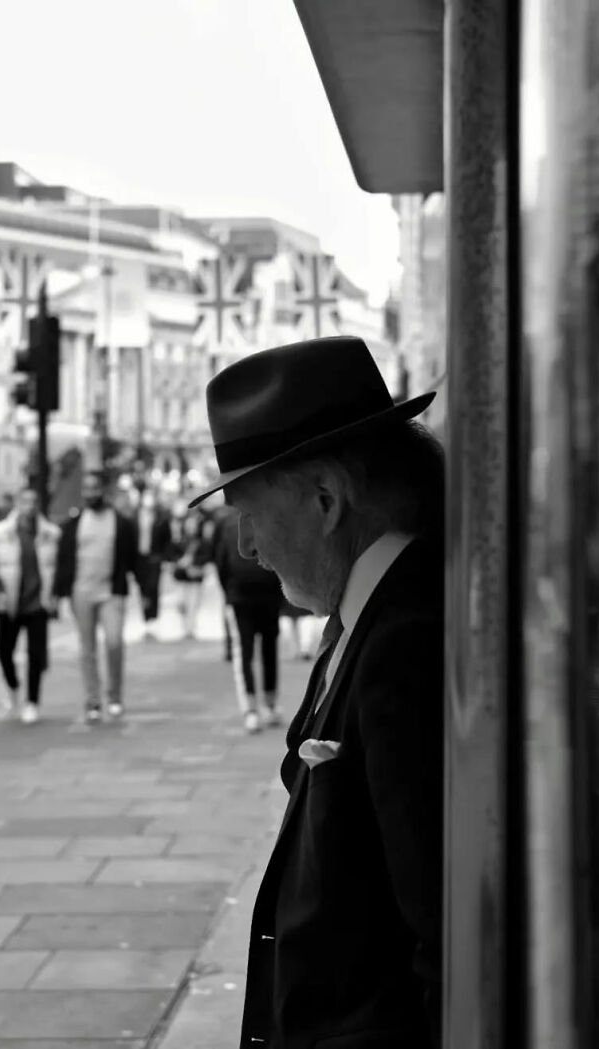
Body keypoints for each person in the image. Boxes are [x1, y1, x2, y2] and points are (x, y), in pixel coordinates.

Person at [188, 335, 444, 1047]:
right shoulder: (366, 613)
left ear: (326, 499)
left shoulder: (405, 639)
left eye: (248, 512)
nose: (244, 546)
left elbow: (439, 934)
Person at [53, 470, 137, 723]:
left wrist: (146, 590)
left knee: (114, 643)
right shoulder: (74, 525)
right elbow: (64, 560)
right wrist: (59, 594)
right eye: (86, 489)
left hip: (111, 592)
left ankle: (114, 697)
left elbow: (133, 559)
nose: (91, 493)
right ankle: (93, 699)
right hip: (82, 592)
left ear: (104, 491)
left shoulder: (120, 522)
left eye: (95, 488)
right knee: (87, 648)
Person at [0, 488, 60, 723]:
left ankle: (32, 701)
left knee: (35, 655)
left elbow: (56, 567)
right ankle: (14, 687)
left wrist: (55, 596)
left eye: (34, 501)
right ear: (17, 503)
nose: (30, 505)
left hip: (38, 602)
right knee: (4, 652)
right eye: (25, 501)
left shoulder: (51, 534)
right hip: (9, 601)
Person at [212, 503, 283, 733]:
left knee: (245, 652)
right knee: (268, 649)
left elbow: (219, 561)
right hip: (266, 593)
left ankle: (252, 709)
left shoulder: (224, 521)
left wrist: (228, 591)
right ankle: (268, 705)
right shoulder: (268, 511)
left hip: (241, 595)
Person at [133, 488, 171, 640]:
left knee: (153, 587)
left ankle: (153, 618)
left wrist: (165, 557)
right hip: (140, 558)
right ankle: (146, 618)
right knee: (143, 589)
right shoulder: (135, 516)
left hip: (155, 558)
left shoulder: (161, 517)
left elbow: (166, 539)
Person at [171, 511, 209, 639]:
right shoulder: (179, 541)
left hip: (195, 578)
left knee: (193, 604)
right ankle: (185, 625)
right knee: (180, 603)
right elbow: (171, 555)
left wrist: (195, 565)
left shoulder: (202, 542)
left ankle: (190, 629)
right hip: (181, 577)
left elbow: (206, 557)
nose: (191, 527)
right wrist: (180, 562)